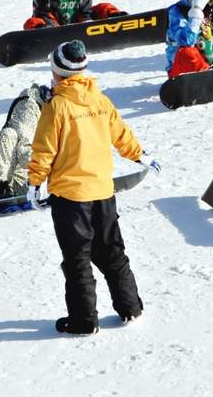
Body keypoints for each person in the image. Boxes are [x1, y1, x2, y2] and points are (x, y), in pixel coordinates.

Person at [28, 41, 149, 335]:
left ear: (56, 71)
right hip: (103, 192)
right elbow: (121, 133)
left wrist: (35, 182)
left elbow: (44, 149)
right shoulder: (100, 100)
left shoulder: (57, 106)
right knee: (111, 251)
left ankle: (84, 321)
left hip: (71, 197)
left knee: (77, 258)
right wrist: (139, 154)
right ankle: (130, 307)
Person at [0, 82, 52, 200]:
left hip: (34, 180)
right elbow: (24, 148)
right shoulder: (29, 107)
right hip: (21, 172)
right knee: (8, 134)